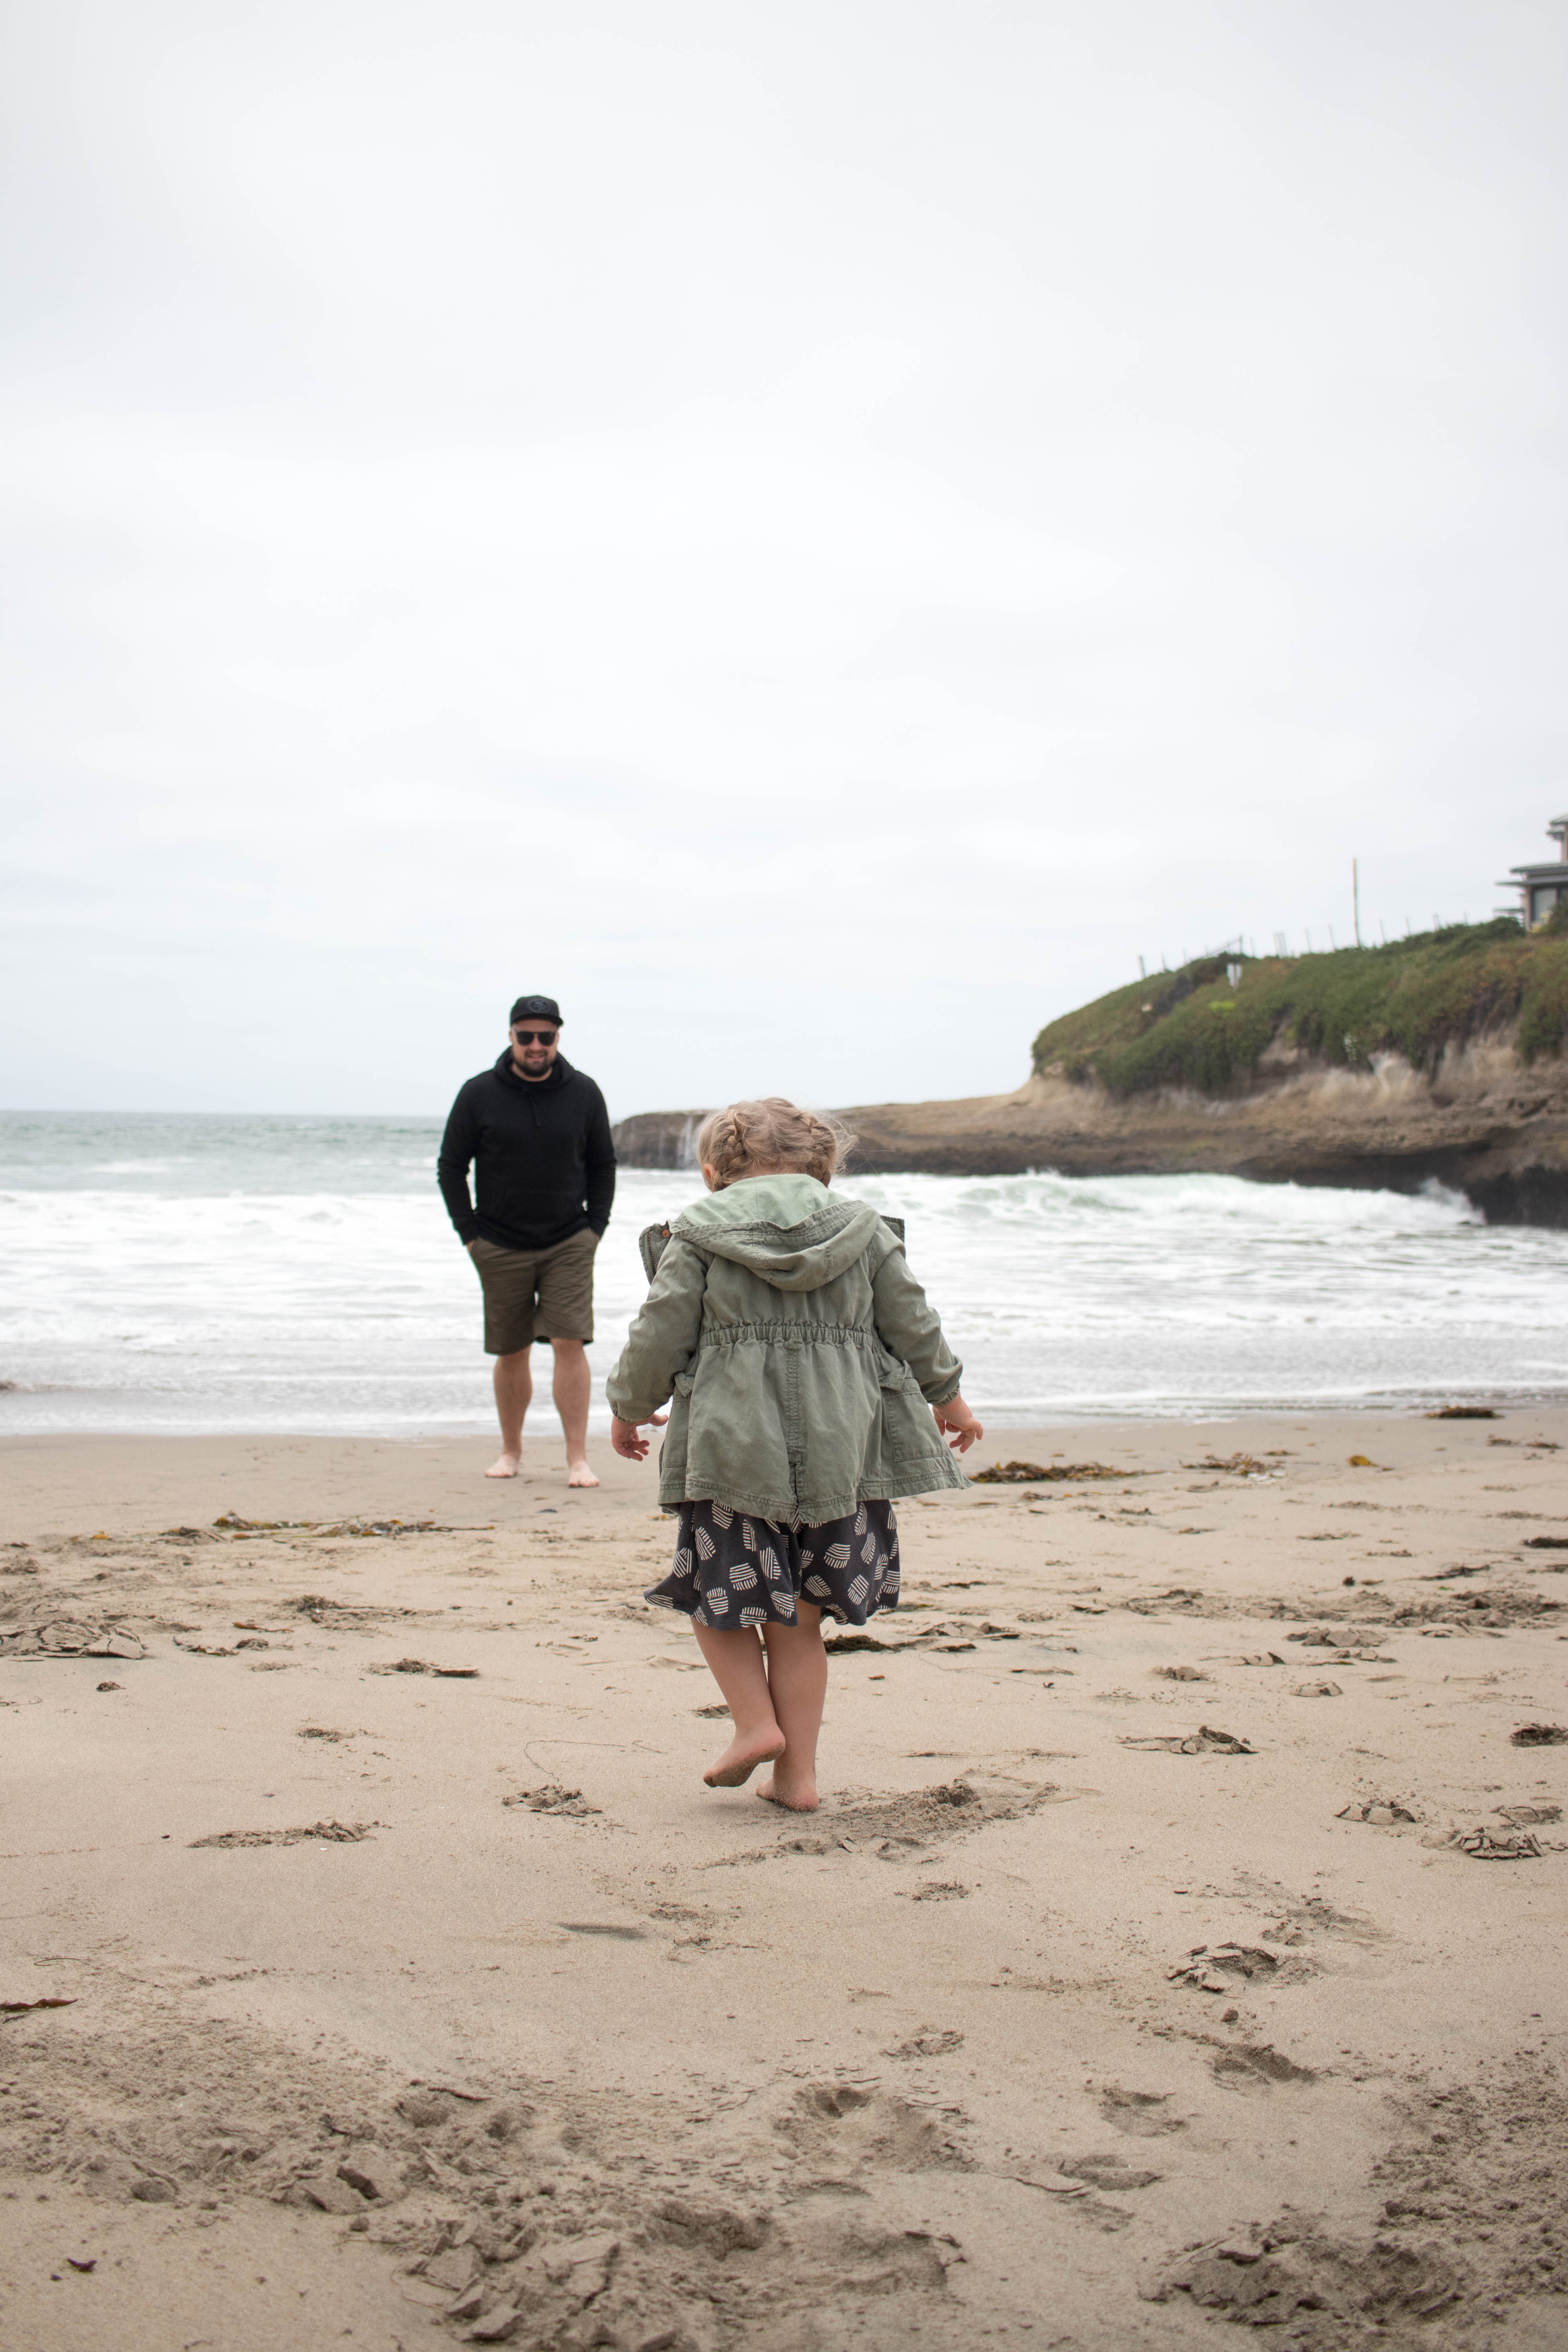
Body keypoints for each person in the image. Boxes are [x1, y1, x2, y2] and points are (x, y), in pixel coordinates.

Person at [605, 1097, 982, 1811]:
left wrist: (629, 1406)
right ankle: (798, 1778)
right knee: (801, 1618)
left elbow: (659, 1332)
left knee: (716, 1598)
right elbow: (913, 1321)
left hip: (732, 1451)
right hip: (843, 1451)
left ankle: (753, 1726)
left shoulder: (697, 1233)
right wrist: (950, 1398)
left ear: (715, 1173)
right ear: (822, 1169)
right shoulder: (863, 1231)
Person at [438, 994, 615, 1486]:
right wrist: (469, 1235)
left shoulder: (584, 1092)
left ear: (558, 1038)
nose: (536, 1046)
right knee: (512, 1349)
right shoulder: (478, 1093)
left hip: (569, 1241)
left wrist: (594, 1228)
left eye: (546, 1036)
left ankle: (577, 1459)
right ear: (511, 1037)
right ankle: (511, 1452)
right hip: (497, 1243)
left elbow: (603, 1164)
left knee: (569, 1340)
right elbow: (451, 1167)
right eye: (526, 1036)